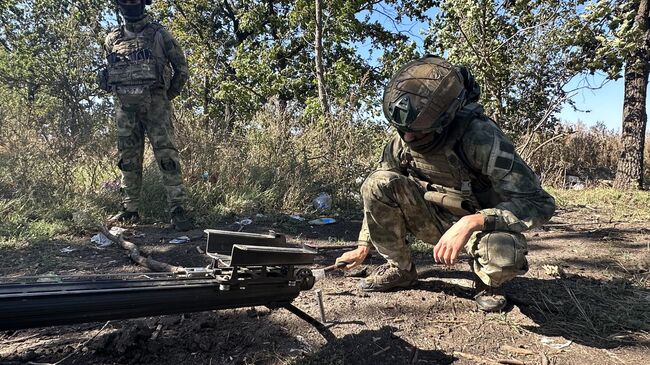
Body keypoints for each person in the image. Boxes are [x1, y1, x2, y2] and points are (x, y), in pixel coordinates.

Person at [335, 55, 556, 312]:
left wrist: (474, 221)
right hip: (430, 219)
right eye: (402, 129)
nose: (408, 136)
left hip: (480, 229)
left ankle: (488, 281)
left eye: (418, 131)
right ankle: (401, 270)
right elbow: (377, 192)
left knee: (504, 255)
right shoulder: (403, 139)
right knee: (377, 181)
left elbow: (538, 203)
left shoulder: (481, 137)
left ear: (445, 120)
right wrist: (363, 246)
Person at [98, 0, 192, 231]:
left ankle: (178, 208)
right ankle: (130, 209)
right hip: (125, 108)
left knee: (167, 156)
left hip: (156, 105)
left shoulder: (160, 34)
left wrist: (167, 95)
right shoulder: (112, 39)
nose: (129, 3)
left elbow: (182, 69)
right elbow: (109, 72)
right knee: (127, 159)